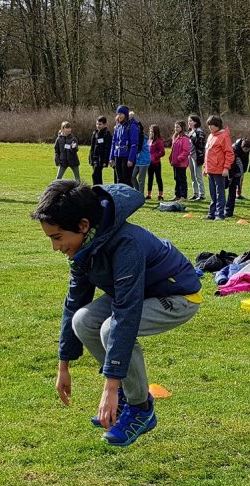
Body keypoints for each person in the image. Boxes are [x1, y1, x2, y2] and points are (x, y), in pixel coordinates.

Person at [36, 180, 202, 444]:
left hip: (178, 296)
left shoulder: (126, 244)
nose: (55, 247)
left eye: (57, 238)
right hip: (140, 291)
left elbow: (126, 311)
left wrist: (110, 386)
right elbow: (74, 303)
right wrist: (63, 365)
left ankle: (140, 409)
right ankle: (127, 396)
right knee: (83, 321)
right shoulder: (84, 247)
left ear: (83, 225)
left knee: (111, 327)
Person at [203, 115, 235, 221]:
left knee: (219, 192)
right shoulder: (210, 136)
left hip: (219, 169)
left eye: (212, 125)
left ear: (218, 125)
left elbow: (229, 153)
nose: (210, 127)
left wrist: (226, 168)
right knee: (212, 193)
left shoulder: (224, 136)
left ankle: (220, 214)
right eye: (209, 125)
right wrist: (205, 167)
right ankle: (211, 213)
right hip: (210, 169)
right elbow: (207, 153)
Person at [109, 106, 139, 187]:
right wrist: (111, 157)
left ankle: (129, 198)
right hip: (117, 155)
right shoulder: (118, 127)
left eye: (121, 114)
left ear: (125, 115)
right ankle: (120, 198)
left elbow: (134, 144)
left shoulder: (132, 126)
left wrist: (131, 159)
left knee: (127, 180)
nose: (119, 116)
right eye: (118, 114)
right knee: (119, 179)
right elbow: (113, 143)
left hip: (126, 156)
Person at [227, 137, 250, 218]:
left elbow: (245, 162)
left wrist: (242, 173)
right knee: (223, 189)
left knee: (232, 191)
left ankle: (229, 211)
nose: (246, 151)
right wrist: (230, 176)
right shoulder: (234, 150)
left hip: (237, 174)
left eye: (248, 149)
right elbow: (231, 163)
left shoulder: (246, 152)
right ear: (241, 147)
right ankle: (221, 208)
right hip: (230, 171)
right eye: (245, 149)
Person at [168, 121, 191, 201]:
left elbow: (186, 151)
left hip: (181, 163)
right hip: (175, 163)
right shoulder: (175, 137)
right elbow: (173, 150)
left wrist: (179, 158)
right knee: (176, 178)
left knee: (182, 179)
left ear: (182, 128)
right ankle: (177, 195)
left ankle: (183, 196)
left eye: (177, 127)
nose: (176, 128)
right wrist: (171, 158)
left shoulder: (185, 138)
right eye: (175, 127)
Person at [187, 115, 207, 200]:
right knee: (192, 175)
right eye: (189, 121)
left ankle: (201, 194)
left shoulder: (199, 132)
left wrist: (193, 138)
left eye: (191, 121)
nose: (189, 122)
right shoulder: (190, 132)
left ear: (195, 122)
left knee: (198, 175)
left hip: (197, 155)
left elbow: (201, 145)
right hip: (190, 155)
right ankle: (195, 193)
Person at [89, 116, 112, 185]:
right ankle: (99, 190)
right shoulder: (95, 133)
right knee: (97, 176)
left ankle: (96, 189)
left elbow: (107, 148)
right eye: (97, 124)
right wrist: (90, 157)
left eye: (100, 124)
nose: (98, 126)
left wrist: (105, 160)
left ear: (105, 124)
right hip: (94, 158)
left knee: (95, 175)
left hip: (101, 158)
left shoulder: (107, 134)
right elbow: (92, 147)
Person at [147, 125, 165, 200]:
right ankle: (148, 194)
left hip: (156, 163)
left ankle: (160, 195)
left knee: (158, 179)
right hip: (149, 163)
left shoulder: (159, 141)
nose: (151, 133)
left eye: (152, 131)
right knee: (149, 179)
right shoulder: (149, 140)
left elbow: (163, 152)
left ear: (156, 132)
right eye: (150, 131)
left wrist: (155, 156)